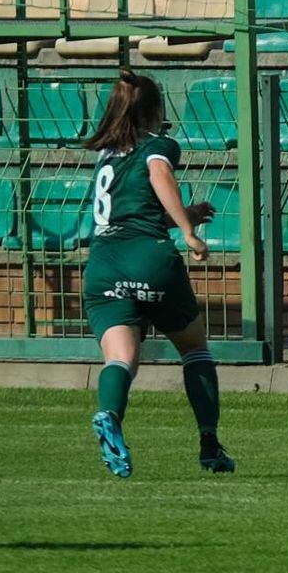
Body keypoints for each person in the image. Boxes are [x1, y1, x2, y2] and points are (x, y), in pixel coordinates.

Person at [82, 71, 235, 478]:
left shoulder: (105, 157)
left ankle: (110, 416)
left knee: (121, 358)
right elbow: (159, 175)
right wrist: (189, 232)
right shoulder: (158, 145)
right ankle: (209, 445)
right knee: (195, 350)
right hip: (150, 261)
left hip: (102, 264)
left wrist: (184, 215)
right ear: (153, 110)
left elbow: (129, 214)